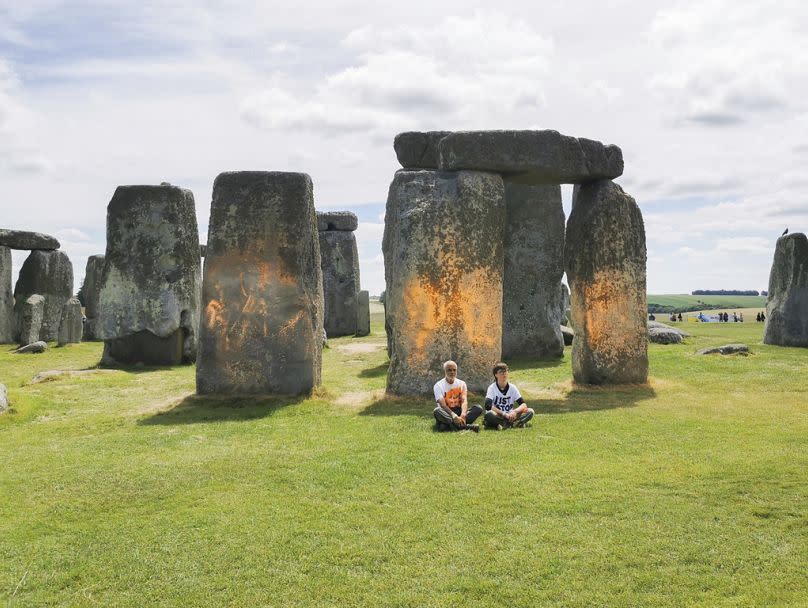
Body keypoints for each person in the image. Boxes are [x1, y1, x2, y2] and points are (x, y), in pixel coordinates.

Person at [433, 360, 482, 432]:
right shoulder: (438, 385)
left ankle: (449, 425)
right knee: (437, 411)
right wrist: (453, 415)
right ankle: (465, 426)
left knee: (478, 408)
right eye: (449, 370)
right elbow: (442, 405)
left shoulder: (462, 383)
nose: (452, 372)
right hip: (447, 413)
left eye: (454, 370)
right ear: (444, 371)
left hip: (459, 411)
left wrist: (463, 414)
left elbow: (464, 401)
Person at [483, 362, 535, 430]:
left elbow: (523, 404)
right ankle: (514, 423)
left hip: (511, 415)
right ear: (496, 375)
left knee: (530, 411)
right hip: (499, 414)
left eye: (506, 371)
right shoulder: (492, 388)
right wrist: (504, 414)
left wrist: (515, 411)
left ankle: (505, 424)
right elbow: (488, 405)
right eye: (501, 372)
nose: (504, 373)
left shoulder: (512, 387)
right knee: (489, 414)